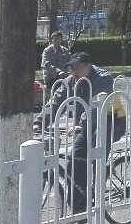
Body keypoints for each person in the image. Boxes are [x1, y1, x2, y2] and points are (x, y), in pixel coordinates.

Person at [50, 50, 125, 213]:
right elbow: (55, 102)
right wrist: (39, 122)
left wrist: (81, 124)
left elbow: (96, 105)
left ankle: (97, 199)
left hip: (110, 122)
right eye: (71, 68)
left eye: (77, 68)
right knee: (74, 162)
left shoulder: (102, 78)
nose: (74, 72)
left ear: (88, 66)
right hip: (86, 126)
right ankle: (80, 208)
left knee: (95, 160)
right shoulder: (71, 81)